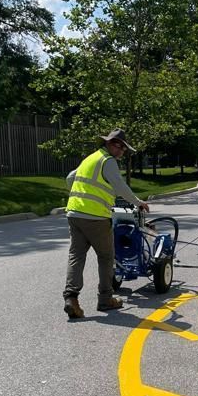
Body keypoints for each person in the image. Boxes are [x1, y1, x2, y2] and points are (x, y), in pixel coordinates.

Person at [62, 129, 149, 318]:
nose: (122, 153)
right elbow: (120, 186)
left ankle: (71, 298)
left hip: (74, 213)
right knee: (106, 256)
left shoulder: (91, 158)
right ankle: (105, 299)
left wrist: (81, 196)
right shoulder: (108, 161)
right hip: (95, 217)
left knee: (76, 256)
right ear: (113, 145)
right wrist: (138, 202)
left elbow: (70, 178)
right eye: (122, 149)